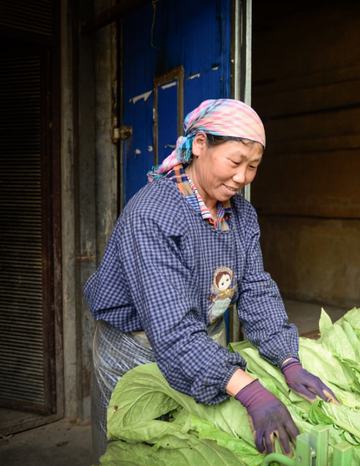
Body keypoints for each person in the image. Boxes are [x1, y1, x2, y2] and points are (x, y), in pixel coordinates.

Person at [84, 99, 336, 458]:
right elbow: (171, 329)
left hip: (201, 342)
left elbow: (256, 290)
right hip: (136, 350)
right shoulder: (151, 214)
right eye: (235, 162)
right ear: (199, 145)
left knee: (189, 449)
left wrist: (287, 358)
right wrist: (251, 391)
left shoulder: (242, 215)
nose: (242, 178)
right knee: (132, 449)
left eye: (253, 167)